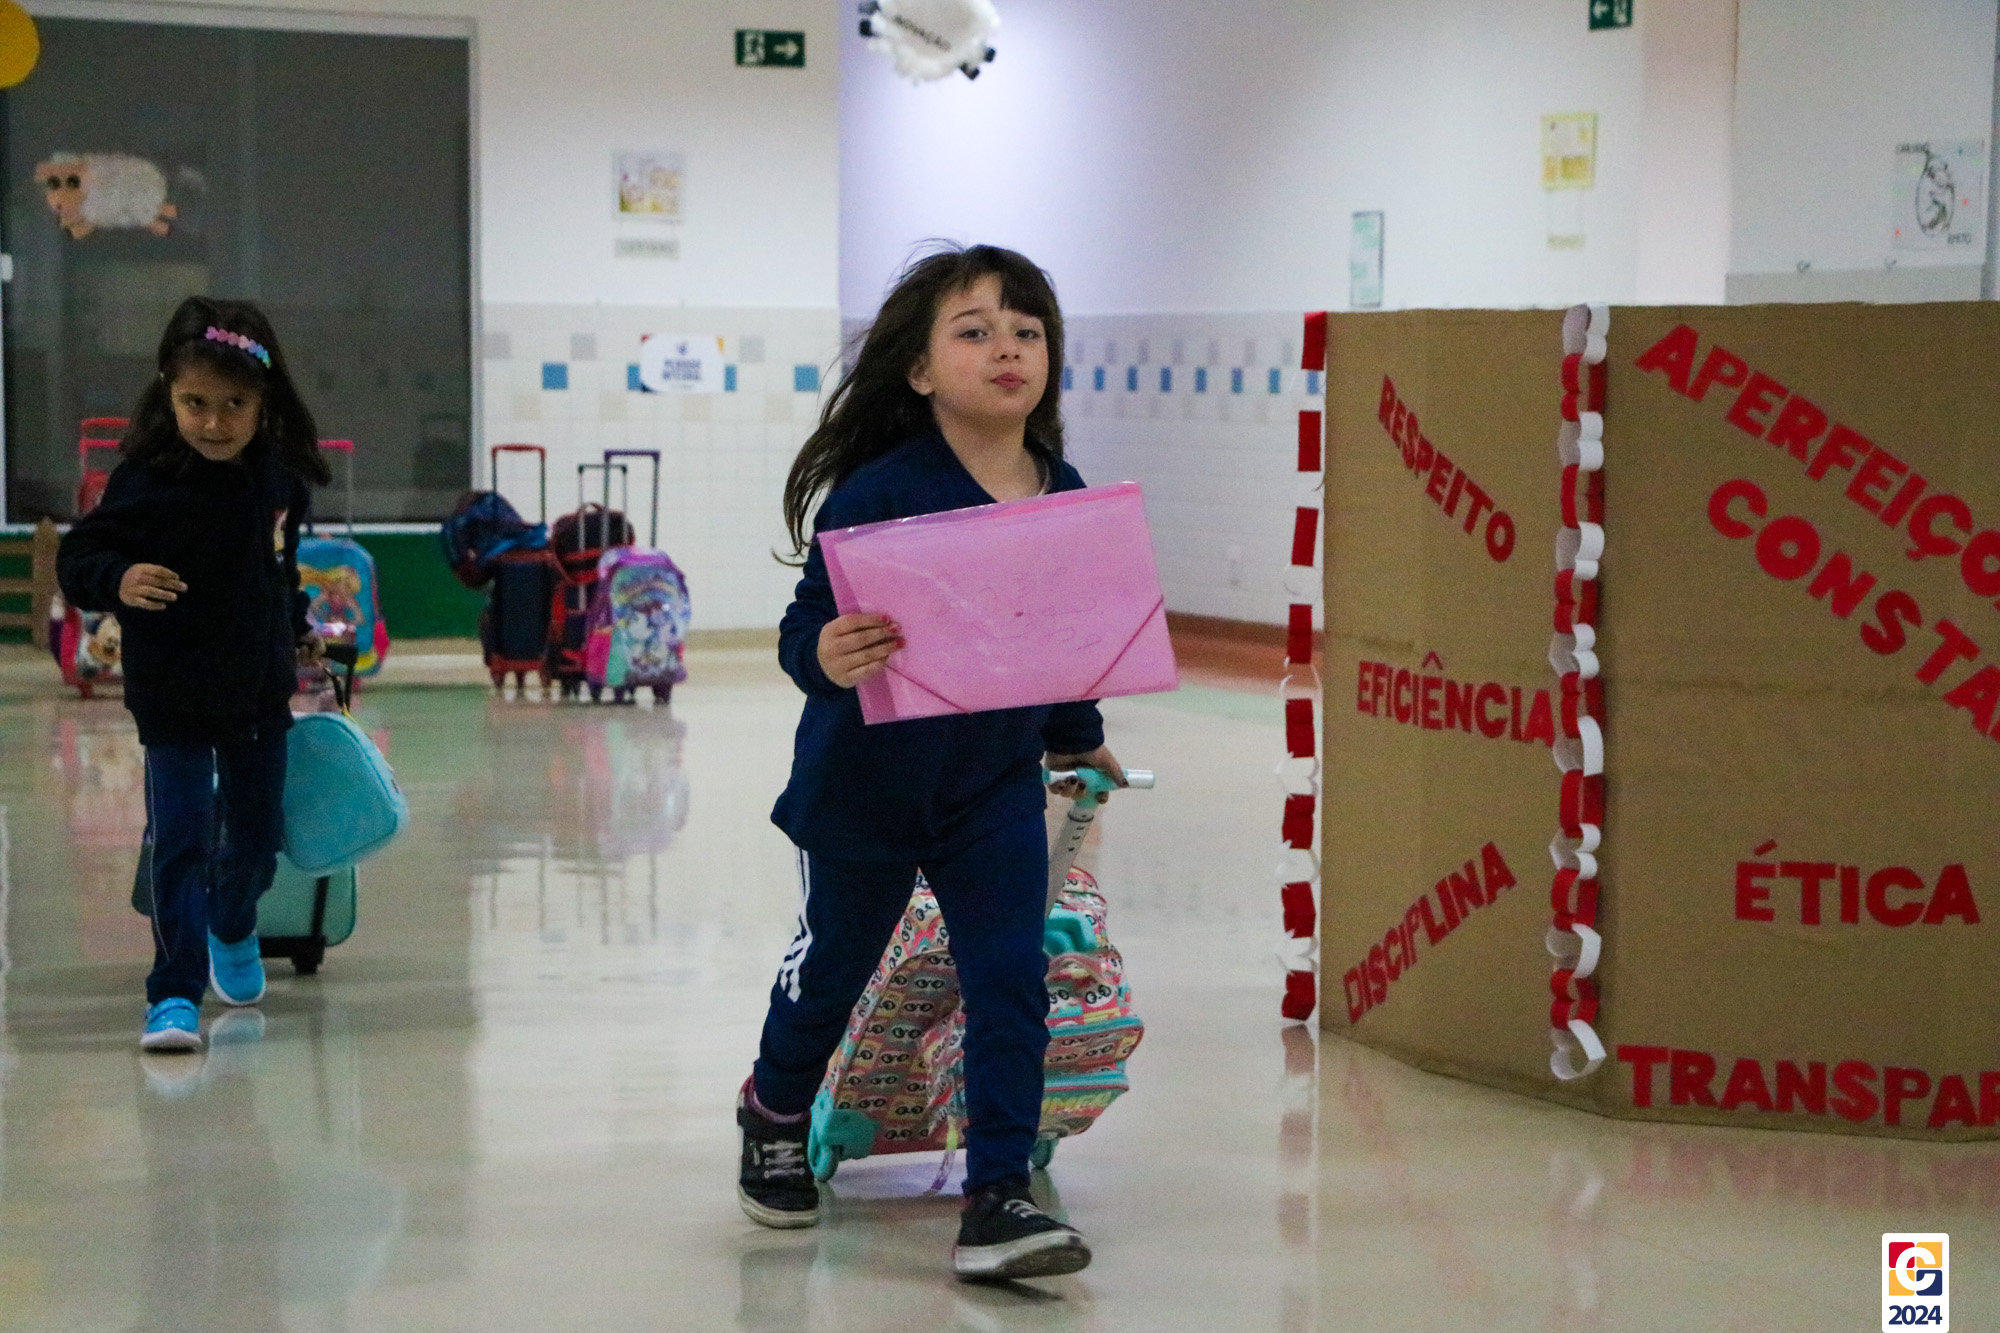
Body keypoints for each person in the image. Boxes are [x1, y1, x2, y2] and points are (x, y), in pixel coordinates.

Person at [740, 244, 1126, 1282]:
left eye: (1027, 331)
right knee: (832, 969)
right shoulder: (879, 491)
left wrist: (1077, 731)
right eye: (975, 330)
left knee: (1008, 978)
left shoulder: (1061, 490)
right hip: (862, 789)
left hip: (988, 790)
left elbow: (1057, 633)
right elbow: (807, 626)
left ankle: (996, 1194)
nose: (1007, 348)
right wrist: (821, 655)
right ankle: (773, 1109)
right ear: (918, 370)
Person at [58, 296, 331, 1052]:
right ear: (168, 393)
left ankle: (232, 925)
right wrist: (118, 577)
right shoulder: (145, 481)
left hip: (257, 691)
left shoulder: (277, 480)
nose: (214, 423)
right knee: (179, 842)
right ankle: (173, 992)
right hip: (172, 692)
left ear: (263, 401)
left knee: (256, 841)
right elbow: (80, 557)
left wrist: (297, 630)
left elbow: (278, 570)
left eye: (234, 404)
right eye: (195, 403)